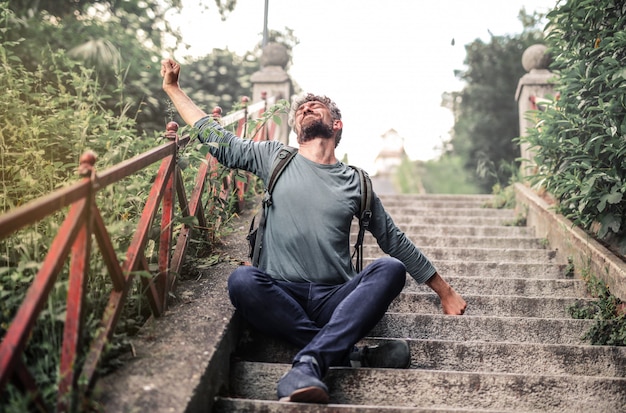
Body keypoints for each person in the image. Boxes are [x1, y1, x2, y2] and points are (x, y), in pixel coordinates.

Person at [160, 58, 467, 404]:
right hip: (279, 292)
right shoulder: (275, 157)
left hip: (335, 299)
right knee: (241, 281)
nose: (305, 107)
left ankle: (311, 358)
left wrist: (445, 292)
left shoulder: (357, 182)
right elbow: (218, 137)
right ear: (295, 131)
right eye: (301, 109)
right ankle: (340, 354)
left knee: (390, 269)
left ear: (336, 124)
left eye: (314, 106)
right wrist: (173, 88)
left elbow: (394, 241)